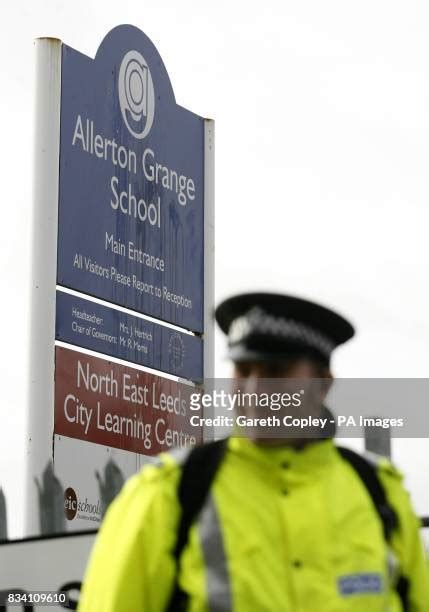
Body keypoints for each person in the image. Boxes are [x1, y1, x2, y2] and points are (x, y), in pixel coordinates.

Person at [78, 293, 429, 611]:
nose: (255, 388)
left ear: (323, 384)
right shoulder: (167, 493)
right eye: (243, 370)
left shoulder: (380, 494)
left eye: (276, 371)